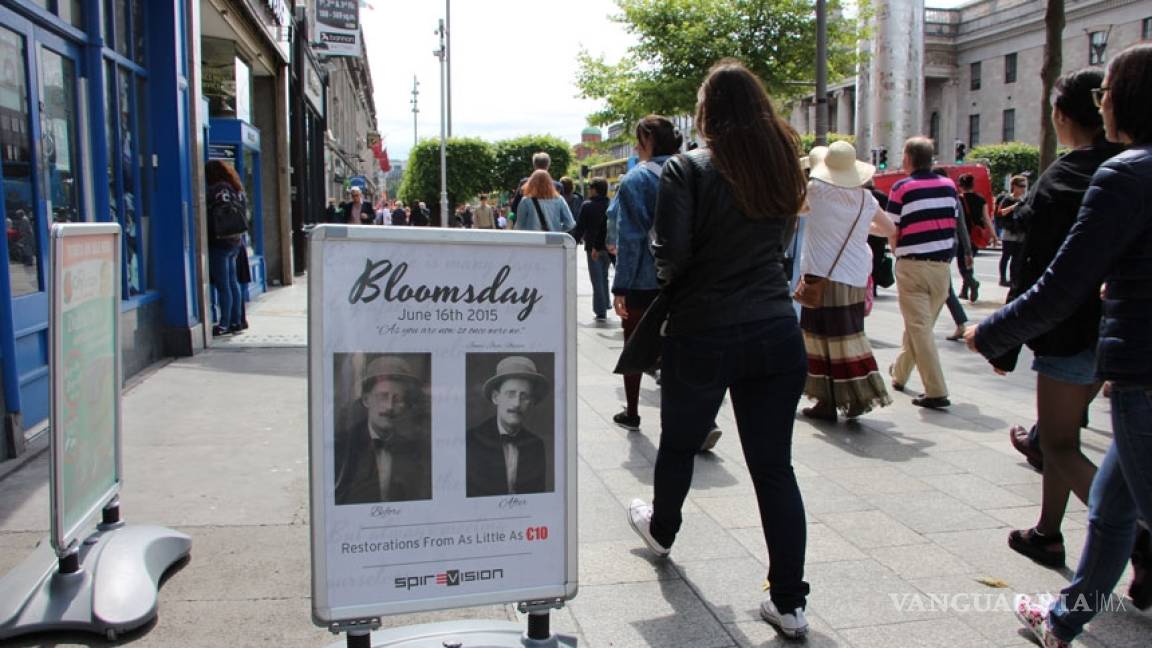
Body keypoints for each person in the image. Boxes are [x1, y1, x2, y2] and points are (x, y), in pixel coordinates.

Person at [964, 43, 1152, 646]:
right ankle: (1065, 617)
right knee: (1110, 503)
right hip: (1128, 366)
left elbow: (1060, 285)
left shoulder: (1124, 174)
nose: (1104, 103)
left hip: (1142, 370)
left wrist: (990, 333)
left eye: (1108, 92)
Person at [627, 59, 811, 639]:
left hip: (704, 327)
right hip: (776, 330)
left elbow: (671, 255)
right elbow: (779, 246)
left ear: (708, 112)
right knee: (774, 468)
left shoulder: (687, 169)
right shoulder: (783, 167)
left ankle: (662, 528)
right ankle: (789, 601)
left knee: (680, 443)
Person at [975, 69, 1123, 574]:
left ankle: (1140, 537)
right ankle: (1047, 531)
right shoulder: (1126, 165)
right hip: (1115, 329)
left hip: (1069, 331)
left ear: (1062, 116)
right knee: (1062, 435)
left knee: (1058, 442)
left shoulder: (1064, 179)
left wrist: (1003, 344)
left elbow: (1037, 276)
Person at [797, 141, 896, 421]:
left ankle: (832, 400)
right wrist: (861, 227)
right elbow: (888, 228)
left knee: (819, 339)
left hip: (821, 274)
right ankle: (852, 398)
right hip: (854, 275)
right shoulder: (866, 199)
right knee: (848, 336)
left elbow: (791, 211)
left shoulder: (814, 192)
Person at [886, 136, 958, 409]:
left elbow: (893, 229)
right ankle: (900, 374)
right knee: (920, 327)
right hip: (941, 268)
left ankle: (936, 390)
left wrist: (896, 252)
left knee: (919, 328)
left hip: (912, 265)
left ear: (908, 158)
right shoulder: (949, 186)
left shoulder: (902, 187)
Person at [333, 355, 432, 505]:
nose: (389, 407)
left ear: (406, 405)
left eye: (398, 399)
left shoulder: (415, 450)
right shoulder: (342, 447)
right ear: (366, 400)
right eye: (383, 396)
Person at [466, 356, 551, 497]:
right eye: (510, 394)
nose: (516, 404)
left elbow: (537, 498)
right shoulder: (471, 441)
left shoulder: (536, 445)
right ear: (496, 397)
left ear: (531, 403)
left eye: (524, 396)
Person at [205, 160, 247, 337]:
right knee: (232, 282)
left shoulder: (215, 190)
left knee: (224, 285)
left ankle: (224, 323)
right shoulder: (235, 188)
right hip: (235, 240)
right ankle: (236, 320)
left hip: (218, 241)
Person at [937, 167, 975, 341]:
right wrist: (967, 250)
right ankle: (959, 323)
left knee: (942, 286)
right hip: (952, 243)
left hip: (938, 245)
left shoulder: (936, 197)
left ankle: (960, 323)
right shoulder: (953, 198)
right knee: (943, 285)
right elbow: (961, 226)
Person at [569, 177, 611, 321]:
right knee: (604, 276)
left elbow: (580, 228)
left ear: (594, 190)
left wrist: (572, 243)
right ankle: (606, 304)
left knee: (596, 279)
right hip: (610, 246)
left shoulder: (587, 205)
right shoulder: (610, 204)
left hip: (593, 247)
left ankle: (600, 311)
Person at [995, 175, 1029, 287]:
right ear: (1014, 186)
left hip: (1020, 232)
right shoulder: (1008, 199)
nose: (1023, 189)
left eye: (1024, 186)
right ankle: (1003, 279)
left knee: (1017, 258)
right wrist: (1014, 206)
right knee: (1006, 256)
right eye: (1021, 186)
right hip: (1009, 232)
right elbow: (1000, 213)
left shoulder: (1025, 200)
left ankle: (1014, 279)